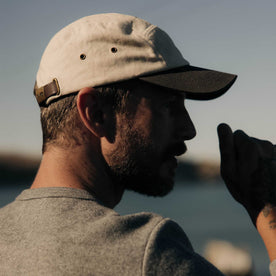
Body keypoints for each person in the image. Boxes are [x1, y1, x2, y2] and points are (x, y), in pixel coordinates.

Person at [0, 13, 275, 275]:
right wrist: (268, 210)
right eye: (169, 106)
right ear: (96, 113)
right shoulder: (147, 253)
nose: (189, 129)